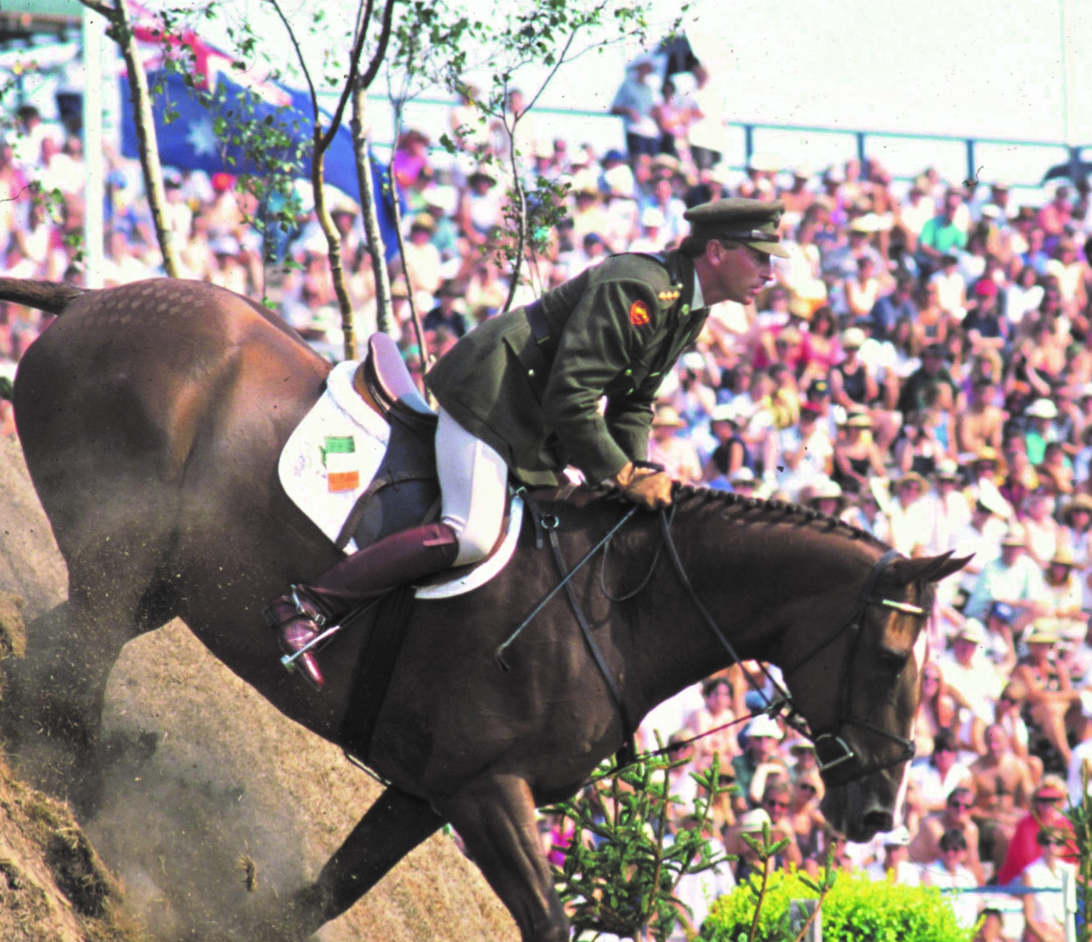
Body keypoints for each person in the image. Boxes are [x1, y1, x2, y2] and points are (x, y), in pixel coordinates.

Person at [270, 198, 784, 685]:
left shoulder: (688, 308)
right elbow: (572, 394)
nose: (770, 273)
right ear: (716, 252)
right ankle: (311, 604)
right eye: (760, 257)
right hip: (491, 399)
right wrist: (619, 475)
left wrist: (638, 471)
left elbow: (634, 403)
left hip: (534, 426)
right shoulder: (640, 287)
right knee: (470, 532)